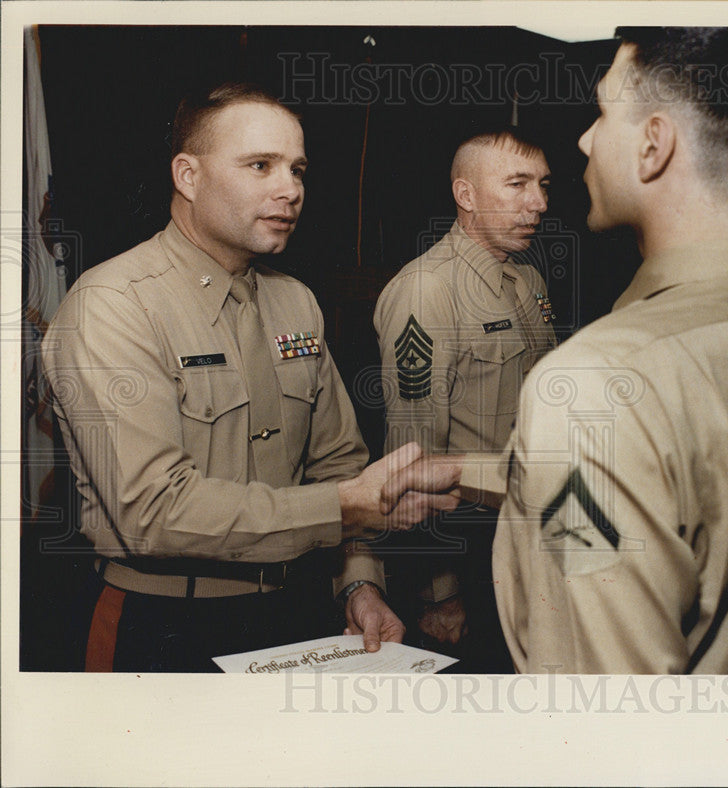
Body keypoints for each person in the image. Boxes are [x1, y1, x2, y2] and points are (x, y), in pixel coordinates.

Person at [382, 28, 728, 674]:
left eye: (601, 114)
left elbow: (604, 722)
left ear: (654, 145)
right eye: (518, 184)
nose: (584, 141)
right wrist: (457, 484)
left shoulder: (595, 385)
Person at [40, 83, 454, 672]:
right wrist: (342, 508)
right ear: (187, 175)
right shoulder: (112, 305)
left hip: (295, 614)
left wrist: (359, 585)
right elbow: (152, 513)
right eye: (260, 165)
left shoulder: (296, 302)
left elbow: (339, 463)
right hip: (160, 626)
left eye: (297, 169)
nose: (290, 189)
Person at [372, 126, 557, 669]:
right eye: (518, 184)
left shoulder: (526, 282)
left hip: (528, 536)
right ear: (466, 195)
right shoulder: (427, 290)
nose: (539, 203)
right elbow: (411, 458)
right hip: (465, 544)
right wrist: (439, 591)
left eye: (543, 185)